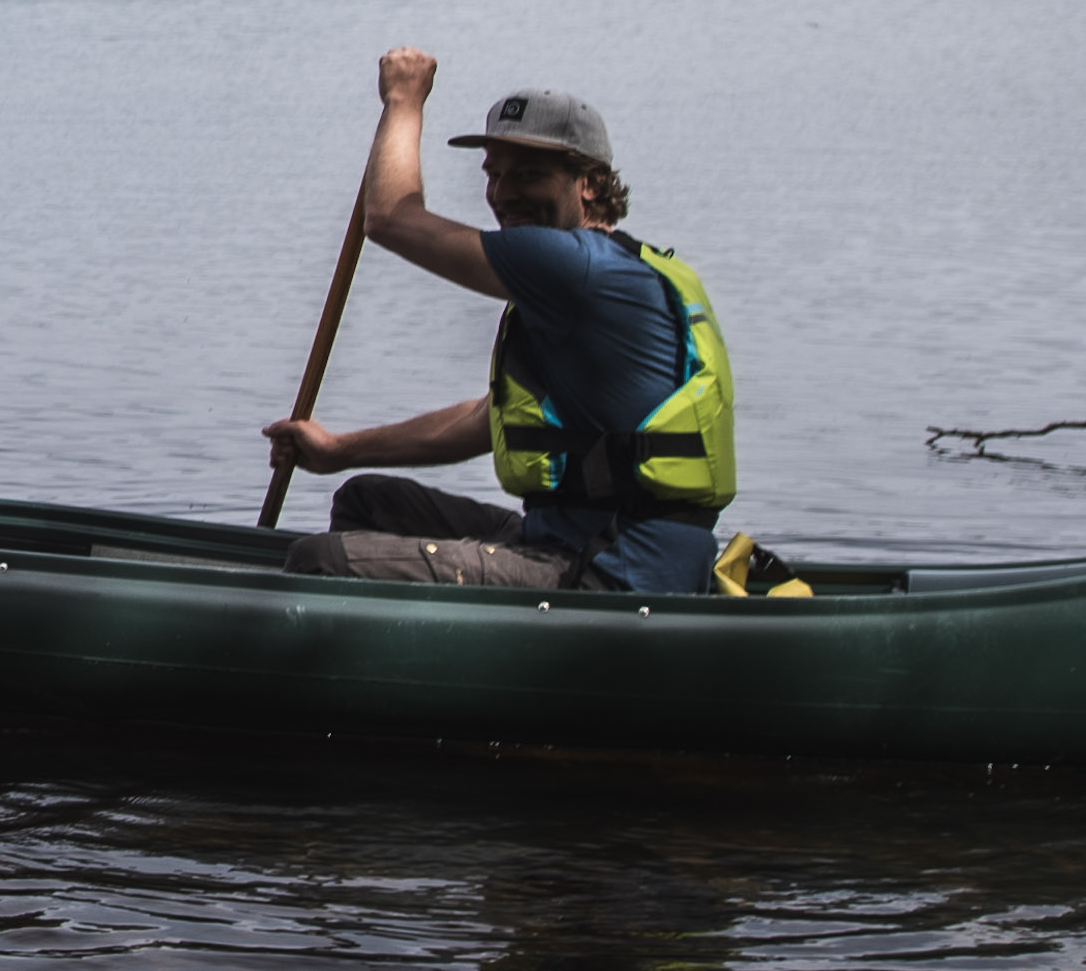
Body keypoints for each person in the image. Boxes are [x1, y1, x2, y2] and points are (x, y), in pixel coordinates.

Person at [261, 52, 735, 591]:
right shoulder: (602, 272)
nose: (504, 193)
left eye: (530, 174)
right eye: (494, 174)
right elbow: (495, 418)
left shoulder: (577, 267)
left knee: (320, 559)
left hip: (612, 569)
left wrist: (404, 100)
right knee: (367, 500)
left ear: (590, 182)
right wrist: (341, 450)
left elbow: (391, 218)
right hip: (569, 538)